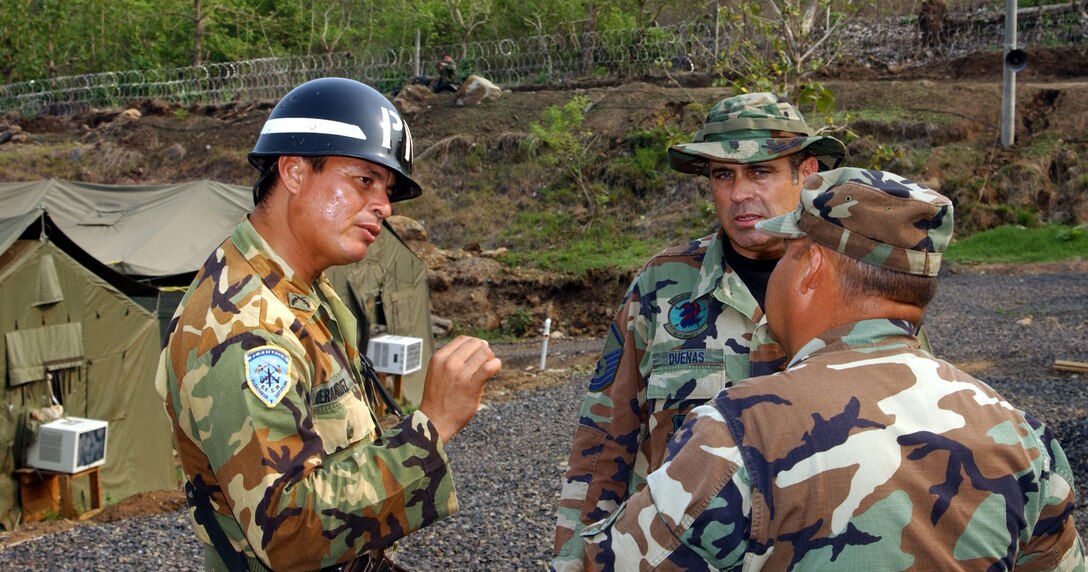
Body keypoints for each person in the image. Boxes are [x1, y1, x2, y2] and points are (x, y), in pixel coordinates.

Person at [581, 168, 1086, 570]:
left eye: (787, 254)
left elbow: (615, 564)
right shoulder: (1024, 438)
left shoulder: (735, 432)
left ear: (812, 268)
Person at [155, 77, 502, 571]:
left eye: (387, 189)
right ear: (294, 171)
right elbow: (288, 530)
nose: (383, 205)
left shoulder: (303, 291)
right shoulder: (243, 326)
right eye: (364, 180)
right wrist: (434, 425)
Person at [552, 92, 847, 570]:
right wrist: (573, 558)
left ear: (806, 172)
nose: (739, 194)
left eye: (761, 171)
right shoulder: (662, 285)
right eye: (722, 175)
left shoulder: (852, 284)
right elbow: (605, 437)